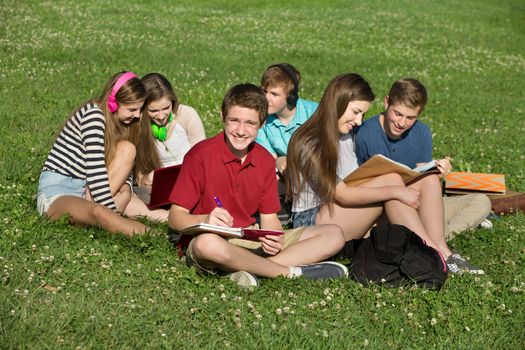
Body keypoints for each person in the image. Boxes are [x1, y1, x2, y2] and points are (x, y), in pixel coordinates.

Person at [286, 73, 484, 275]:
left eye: (362, 114)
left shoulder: (347, 134)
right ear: (337, 101)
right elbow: (341, 194)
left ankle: (442, 250)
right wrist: (396, 191)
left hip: (346, 212)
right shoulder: (309, 140)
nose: (359, 120)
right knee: (392, 182)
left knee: (429, 179)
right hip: (314, 220)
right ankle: (433, 253)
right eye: (356, 112)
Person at [168, 83, 348, 287]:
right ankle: (287, 272)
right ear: (222, 117)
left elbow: (269, 218)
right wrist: (206, 219)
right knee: (206, 243)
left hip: (248, 238)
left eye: (250, 123)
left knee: (333, 234)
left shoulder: (264, 160)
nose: (241, 131)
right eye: (234, 121)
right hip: (210, 240)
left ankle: (253, 269)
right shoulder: (200, 155)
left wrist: (274, 238)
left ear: (262, 124)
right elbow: (175, 218)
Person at [355, 78, 492, 241]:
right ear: (386, 103)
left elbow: (421, 176)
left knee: (481, 201)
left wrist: (436, 173)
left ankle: (432, 238)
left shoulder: (422, 132)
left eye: (410, 118)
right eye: (397, 114)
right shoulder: (363, 133)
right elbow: (355, 186)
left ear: (419, 114)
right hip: (380, 210)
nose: (401, 123)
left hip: (414, 204)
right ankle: (427, 238)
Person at [36, 71, 149, 236]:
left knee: (128, 149)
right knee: (100, 213)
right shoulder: (93, 115)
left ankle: (180, 231)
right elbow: (96, 173)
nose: (138, 115)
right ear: (113, 103)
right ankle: (155, 237)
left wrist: (126, 190)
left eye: (140, 109)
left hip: (88, 190)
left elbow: (126, 167)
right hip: (59, 191)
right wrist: (111, 212)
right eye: (132, 109)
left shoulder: (122, 122)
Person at [124, 73, 206, 221]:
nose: (161, 116)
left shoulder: (187, 115)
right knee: (127, 201)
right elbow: (138, 177)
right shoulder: (137, 125)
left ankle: (174, 217)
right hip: (154, 191)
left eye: (166, 108)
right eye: (153, 111)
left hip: (192, 185)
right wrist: (147, 179)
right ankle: (172, 218)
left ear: (173, 102)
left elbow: (203, 157)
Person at [255, 63, 319, 175]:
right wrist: (278, 161)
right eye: (264, 91)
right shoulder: (260, 119)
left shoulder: (314, 112)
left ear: (291, 97)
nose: (266, 98)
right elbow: (269, 157)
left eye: (274, 94)